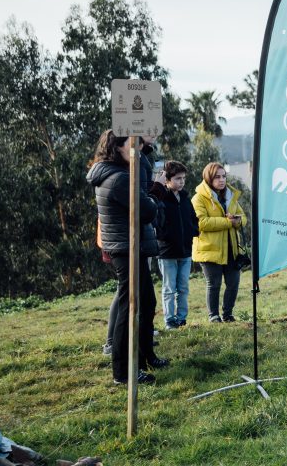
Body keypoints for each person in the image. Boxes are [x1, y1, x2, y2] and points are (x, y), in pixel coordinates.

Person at [89, 130, 168, 385]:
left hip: (128, 245)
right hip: (125, 248)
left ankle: (145, 357)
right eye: (130, 144)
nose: (135, 149)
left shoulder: (115, 172)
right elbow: (146, 210)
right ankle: (123, 372)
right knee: (129, 307)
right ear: (117, 147)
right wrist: (156, 193)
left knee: (145, 302)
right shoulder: (120, 179)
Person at [191, 162, 246, 324]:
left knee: (233, 283)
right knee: (214, 284)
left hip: (231, 249)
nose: (222, 180)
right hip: (209, 249)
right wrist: (228, 222)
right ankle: (213, 316)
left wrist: (238, 220)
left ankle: (228, 315)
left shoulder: (230, 195)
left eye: (224, 176)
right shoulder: (198, 198)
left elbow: (244, 218)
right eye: (217, 177)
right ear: (208, 178)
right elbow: (201, 223)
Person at [151, 160, 197, 330]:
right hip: (167, 252)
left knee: (183, 287)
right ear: (168, 180)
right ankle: (170, 320)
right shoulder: (161, 198)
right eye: (178, 178)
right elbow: (157, 222)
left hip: (185, 251)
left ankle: (182, 319)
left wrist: (194, 231)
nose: (182, 181)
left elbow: (192, 218)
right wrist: (164, 236)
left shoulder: (185, 198)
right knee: (169, 288)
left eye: (183, 178)